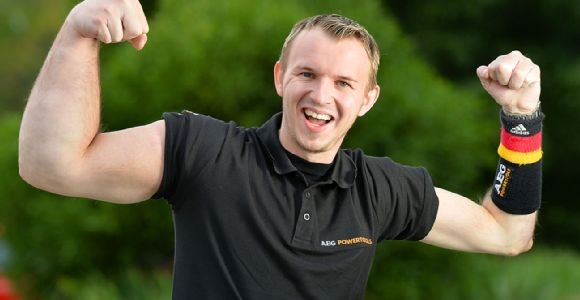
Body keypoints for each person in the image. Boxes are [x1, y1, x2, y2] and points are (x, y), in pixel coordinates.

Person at [18, 0, 543, 299]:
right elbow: (51, 164)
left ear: (367, 100)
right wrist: (77, 32)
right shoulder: (204, 150)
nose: (321, 96)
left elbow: (506, 234)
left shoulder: (380, 189)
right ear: (279, 78)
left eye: (343, 83)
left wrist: (521, 119)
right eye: (307, 74)